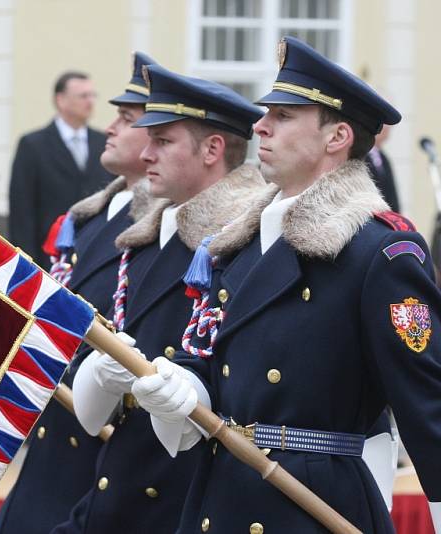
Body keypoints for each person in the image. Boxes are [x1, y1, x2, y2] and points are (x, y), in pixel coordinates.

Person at [131, 36, 441, 533]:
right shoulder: (236, 243)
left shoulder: (378, 251)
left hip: (316, 506)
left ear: (336, 137)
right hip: (222, 494)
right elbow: (209, 358)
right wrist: (180, 388)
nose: (260, 126)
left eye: (283, 115)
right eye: (264, 113)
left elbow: (427, 403)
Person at [53, 65, 265, 534]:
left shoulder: (240, 243)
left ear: (212, 149)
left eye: (163, 141)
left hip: (188, 498)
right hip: (119, 486)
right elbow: (95, 414)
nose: (145, 154)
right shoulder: (147, 239)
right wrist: (102, 375)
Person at [0, 52, 157, 534]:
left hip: (96, 448)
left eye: (127, 120)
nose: (109, 126)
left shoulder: (160, 225)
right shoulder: (94, 215)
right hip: (57, 425)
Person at [8, 71, 114, 266]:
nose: (90, 102)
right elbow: (22, 211)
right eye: (83, 96)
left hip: (93, 257)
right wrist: (27, 263)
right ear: (61, 100)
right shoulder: (33, 145)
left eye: (93, 95)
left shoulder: (104, 143)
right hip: (48, 257)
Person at [365, 123, 400, 212]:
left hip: (387, 216)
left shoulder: (383, 157)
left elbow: (391, 193)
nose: (389, 128)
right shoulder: (361, 156)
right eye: (385, 124)